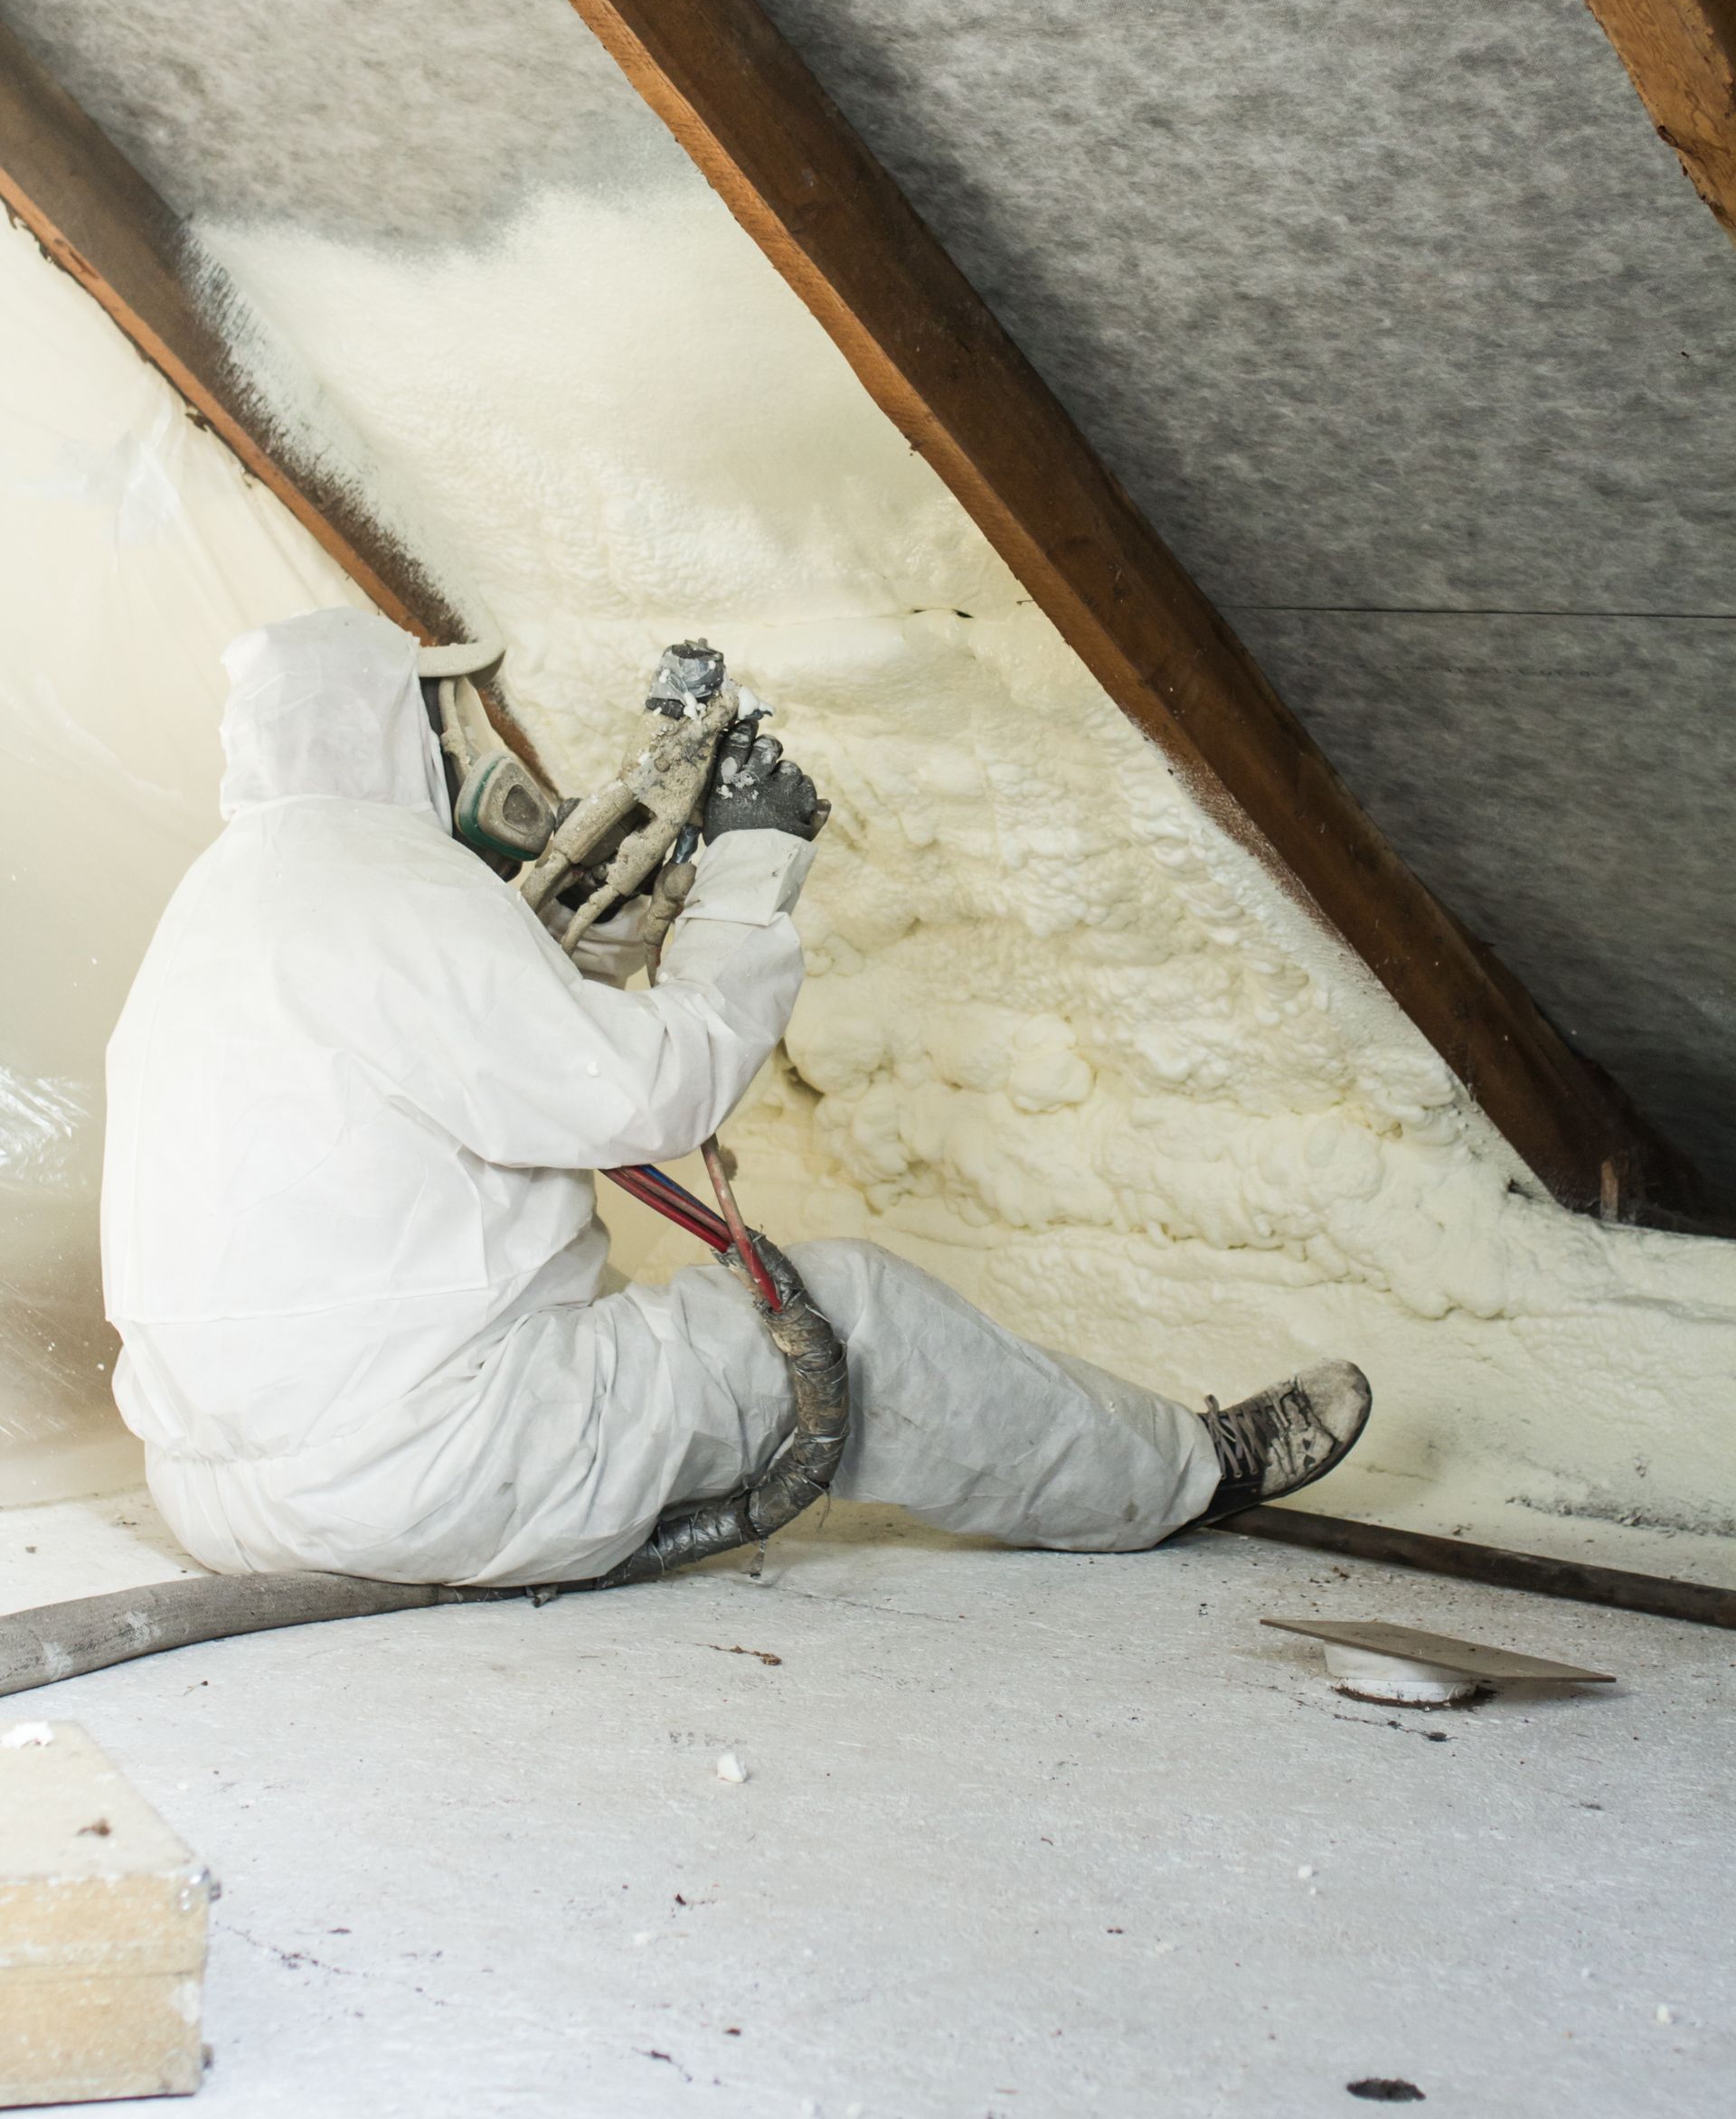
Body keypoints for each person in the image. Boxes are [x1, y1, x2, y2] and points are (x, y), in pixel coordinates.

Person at [102, 608, 1370, 1587]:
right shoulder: (392, 884)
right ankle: (1192, 1473)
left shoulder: (222, 902)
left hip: (217, 1493)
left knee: (609, 1330)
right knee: (858, 1316)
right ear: (394, 730)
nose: (465, 742)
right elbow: (653, 1096)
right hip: (422, 1473)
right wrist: (748, 876)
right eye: (448, 719)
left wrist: (579, 942)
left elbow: (453, 1064)